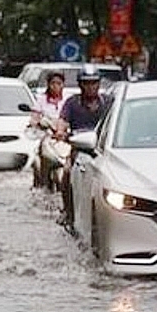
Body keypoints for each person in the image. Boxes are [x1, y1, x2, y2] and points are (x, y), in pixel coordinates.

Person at [55, 64, 113, 226]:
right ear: (80, 84)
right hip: (79, 149)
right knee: (66, 173)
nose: (91, 87)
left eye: (94, 83)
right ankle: (68, 211)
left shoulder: (108, 102)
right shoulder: (72, 103)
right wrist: (61, 132)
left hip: (103, 150)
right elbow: (62, 122)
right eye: (87, 83)